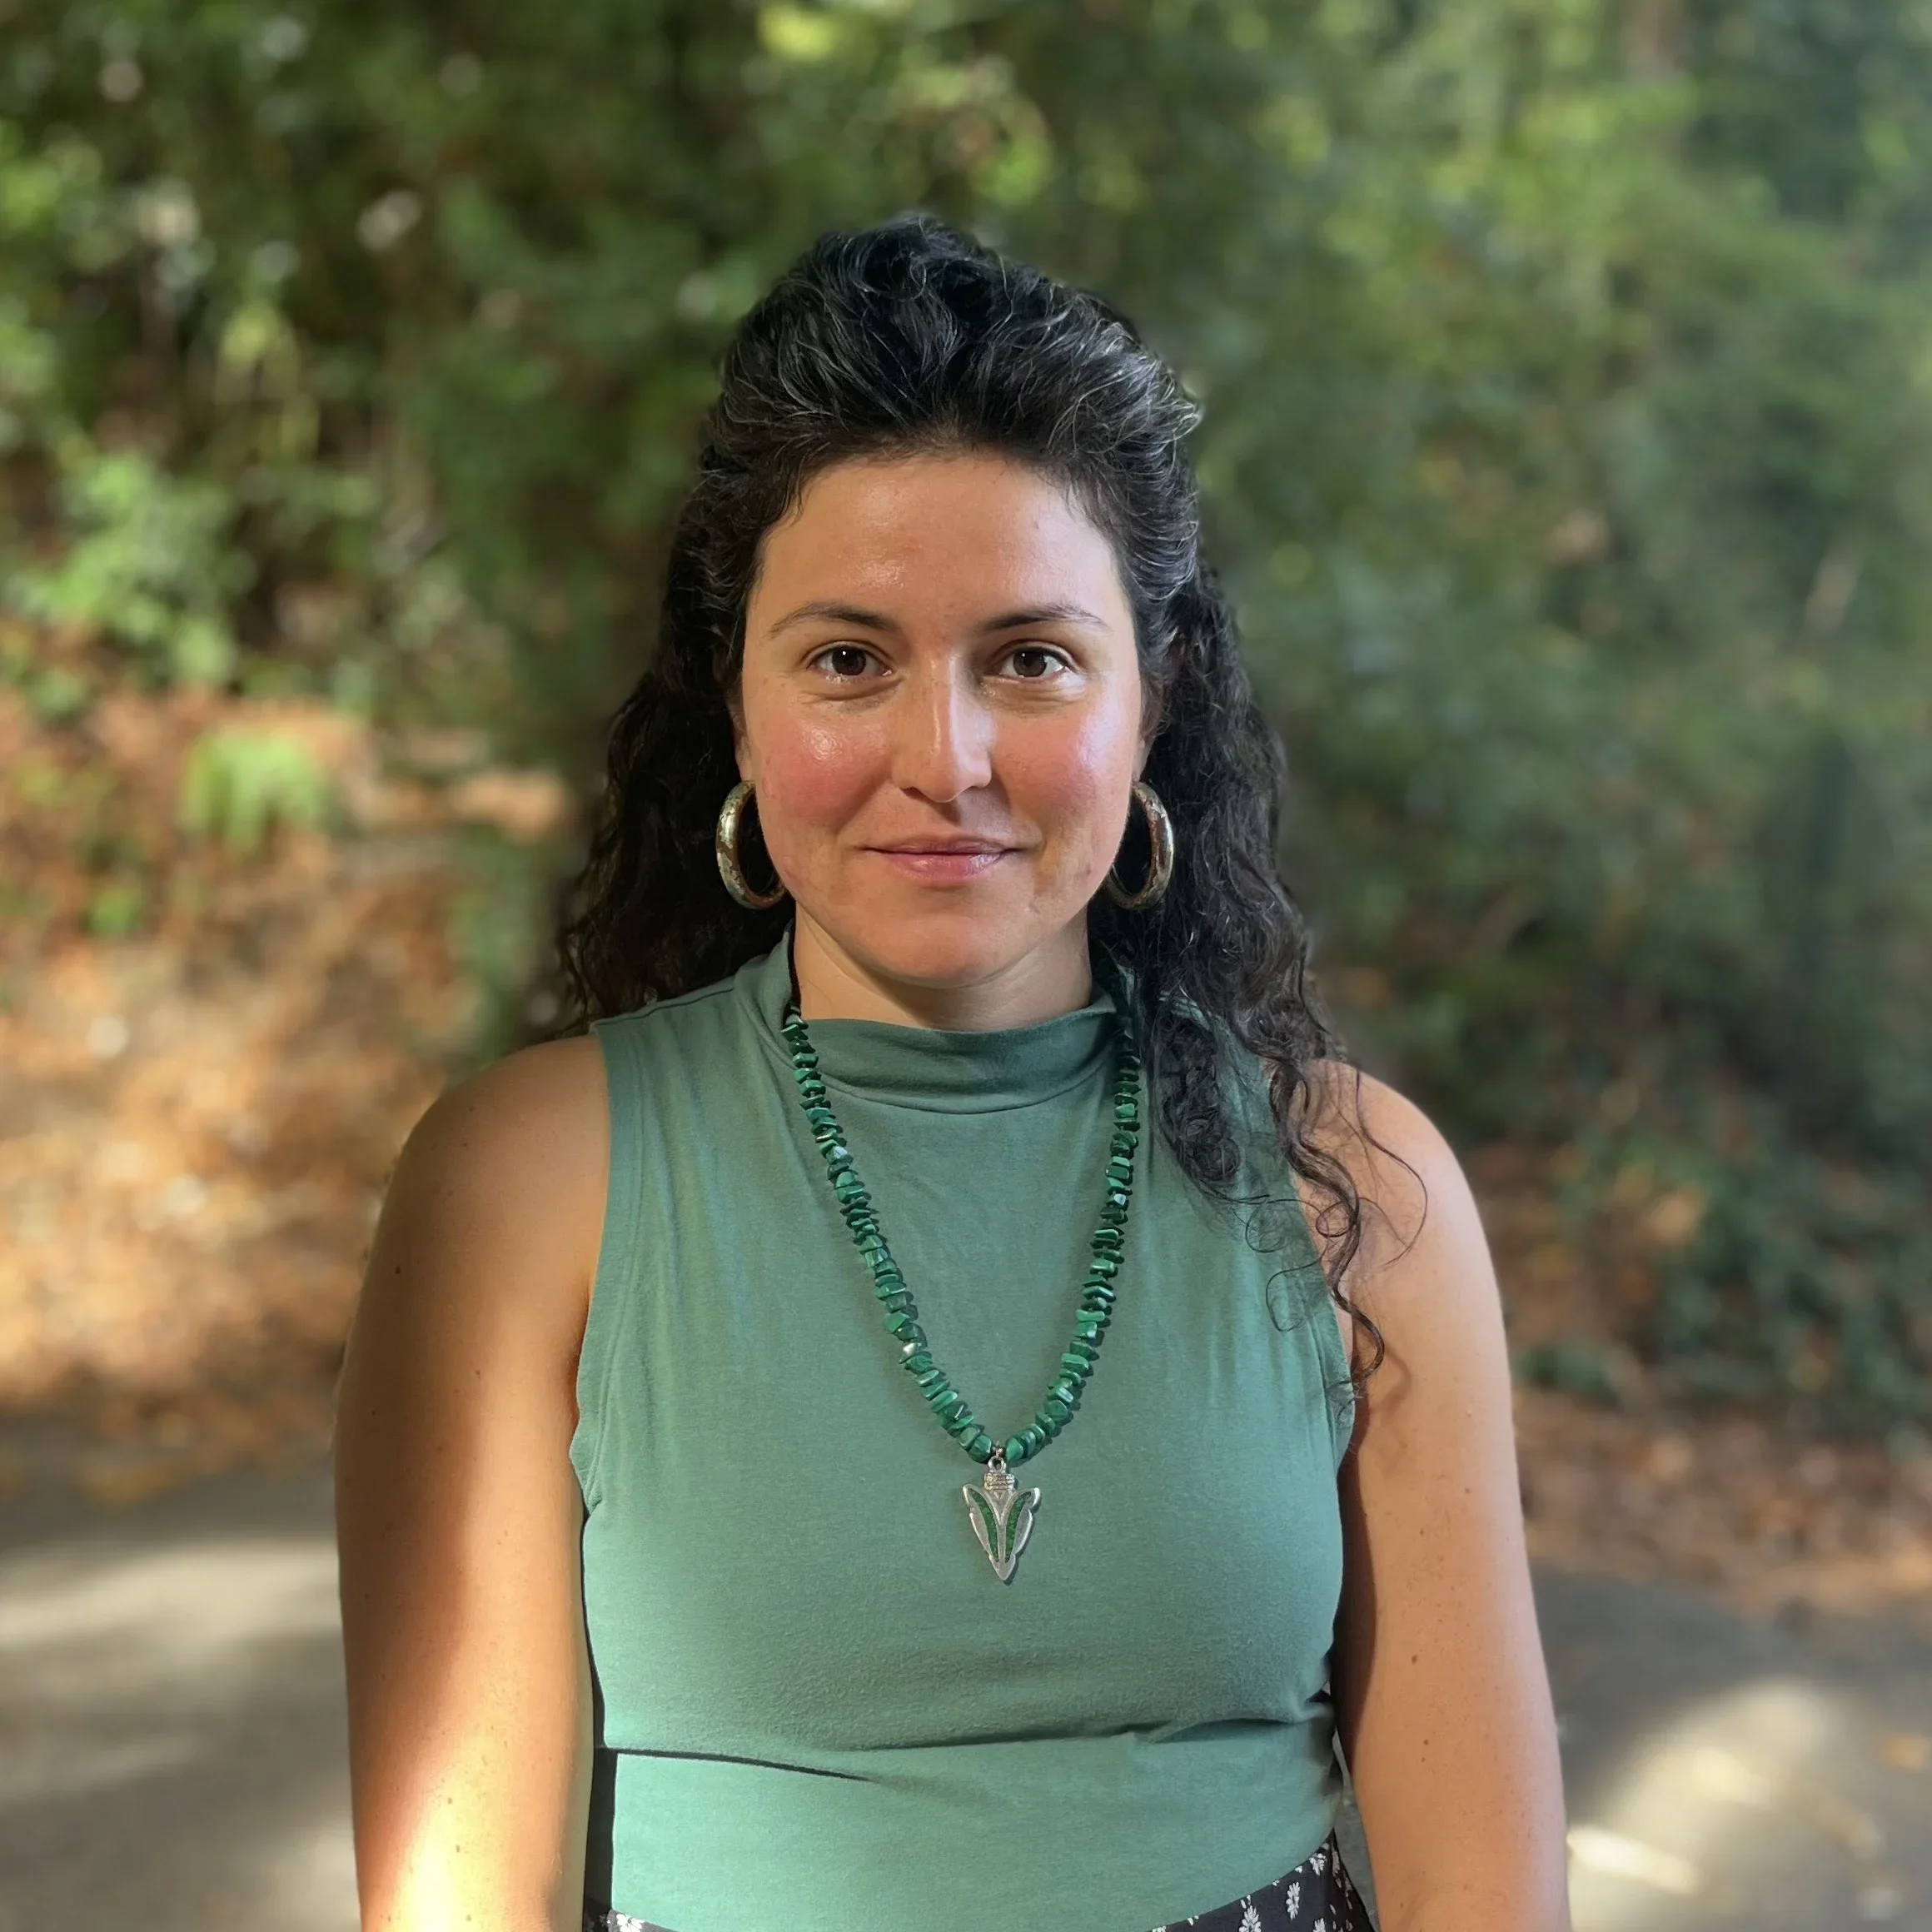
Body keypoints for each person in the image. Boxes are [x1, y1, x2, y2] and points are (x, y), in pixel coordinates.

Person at [333, 214, 1571, 1932]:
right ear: (738, 699)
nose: (948, 758)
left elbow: (1480, 1891)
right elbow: (462, 1897)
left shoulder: (1356, 1189)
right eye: (848, 659)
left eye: (1029, 659)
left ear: (1153, 697)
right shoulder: (527, 1185)